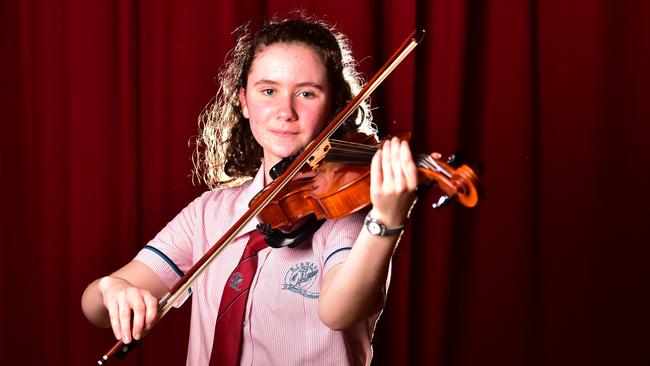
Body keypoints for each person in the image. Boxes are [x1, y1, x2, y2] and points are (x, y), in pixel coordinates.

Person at [82, 16, 418, 365]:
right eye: (268, 91)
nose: (285, 112)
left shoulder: (343, 215)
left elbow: (339, 312)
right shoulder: (208, 214)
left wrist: (387, 220)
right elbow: (95, 308)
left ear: (333, 106)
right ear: (243, 101)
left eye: (306, 93)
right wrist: (112, 288)